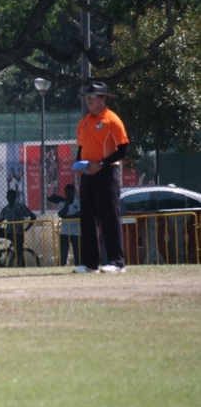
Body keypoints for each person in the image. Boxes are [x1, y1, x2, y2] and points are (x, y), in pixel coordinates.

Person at [74, 81, 130, 274]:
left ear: (103, 98)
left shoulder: (112, 120)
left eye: (93, 97)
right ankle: (89, 264)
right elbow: (81, 147)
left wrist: (102, 164)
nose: (89, 101)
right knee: (87, 218)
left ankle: (117, 262)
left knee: (109, 217)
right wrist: (78, 165)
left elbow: (123, 149)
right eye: (87, 97)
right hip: (88, 174)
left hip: (107, 173)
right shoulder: (84, 122)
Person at [0, 189, 36, 267]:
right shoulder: (5, 209)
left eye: (11, 196)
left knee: (18, 252)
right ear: (6, 197)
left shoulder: (21, 207)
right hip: (8, 232)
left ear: (15, 197)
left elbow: (33, 216)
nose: (9, 198)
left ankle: (21, 266)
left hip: (18, 233)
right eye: (8, 196)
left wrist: (27, 228)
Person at [57, 184, 81, 266]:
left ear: (74, 192)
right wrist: (66, 204)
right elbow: (61, 214)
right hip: (64, 231)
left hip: (77, 231)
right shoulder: (61, 203)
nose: (69, 193)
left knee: (77, 252)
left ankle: (78, 266)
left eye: (71, 191)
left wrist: (68, 217)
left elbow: (80, 214)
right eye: (67, 192)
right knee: (63, 252)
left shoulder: (78, 202)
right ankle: (62, 267)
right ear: (65, 192)